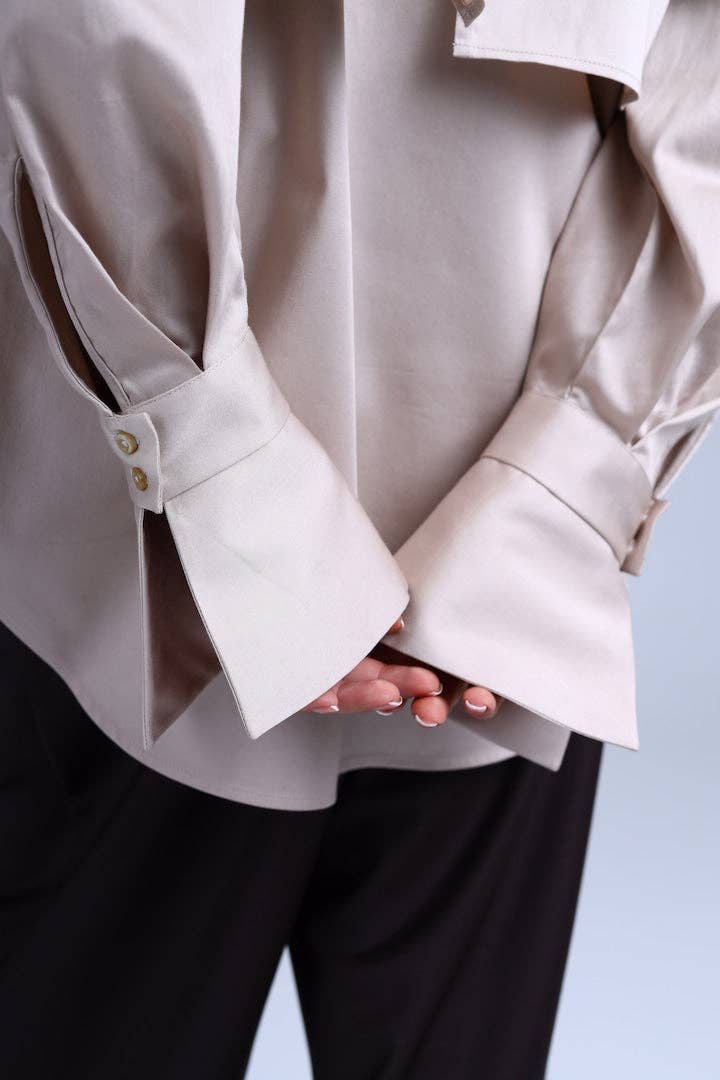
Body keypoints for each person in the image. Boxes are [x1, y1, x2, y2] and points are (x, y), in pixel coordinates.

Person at [0, 1, 718, 1077]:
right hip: (482, 550)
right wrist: (558, 490)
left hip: (157, 554)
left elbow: (98, 36)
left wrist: (238, 497)